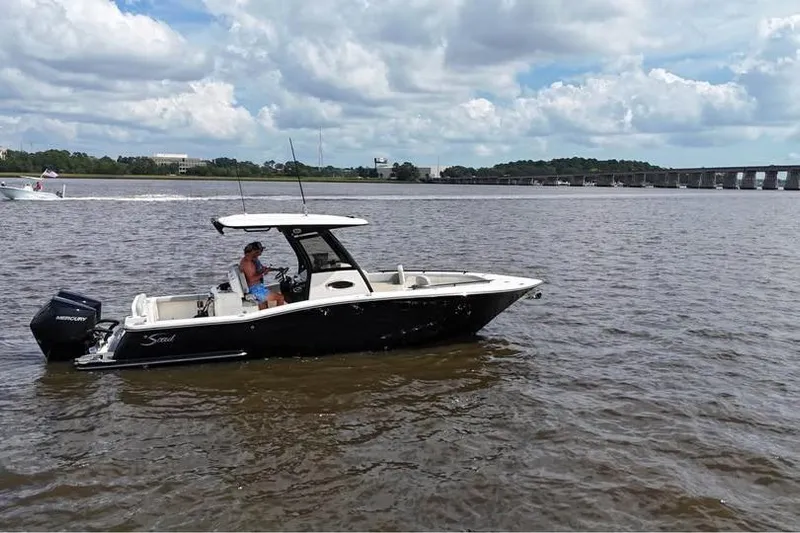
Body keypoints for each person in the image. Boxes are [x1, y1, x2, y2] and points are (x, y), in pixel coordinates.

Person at [239, 241, 285, 309]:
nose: (261, 253)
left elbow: (262, 268)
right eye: (261, 250)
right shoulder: (248, 263)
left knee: (264, 307)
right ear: (255, 251)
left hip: (258, 287)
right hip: (255, 290)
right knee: (280, 297)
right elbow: (251, 279)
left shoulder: (254, 259)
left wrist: (276, 269)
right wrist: (263, 274)